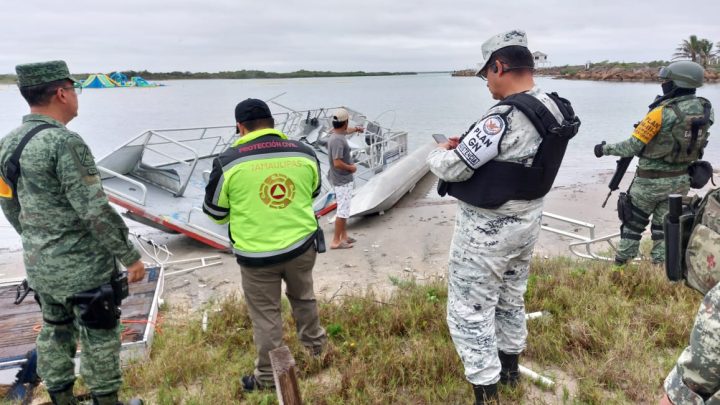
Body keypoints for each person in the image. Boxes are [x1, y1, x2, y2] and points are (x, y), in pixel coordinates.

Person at [427, 30, 580, 404]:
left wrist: (435, 152)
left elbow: (455, 168)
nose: (487, 83)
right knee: (511, 297)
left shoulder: (503, 116)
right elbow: (523, 155)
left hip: (486, 232)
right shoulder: (554, 105)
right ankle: (509, 371)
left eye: (486, 75)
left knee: (469, 310)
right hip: (527, 221)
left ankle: (487, 392)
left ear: (499, 66)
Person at [0, 61, 145, 405]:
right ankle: (106, 400)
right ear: (62, 93)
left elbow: (7, 202)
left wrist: (36, 239)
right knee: (100, 334)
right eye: (74, 90)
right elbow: (93, 208)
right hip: (84, 269)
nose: (76, 97)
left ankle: (61, 397)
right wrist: (129, 256)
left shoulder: (8, 144)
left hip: (41, 267)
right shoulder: (65, 143)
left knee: (54, 329)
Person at [203, 98, 327, 391]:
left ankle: (270, 378)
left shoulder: (227, 161)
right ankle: (317, 350)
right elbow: (314, 191)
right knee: (304, 298)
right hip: (301, 247)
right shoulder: (305, 153)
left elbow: (215, 212)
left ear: (239, 127)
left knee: (266, 315)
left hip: (257, 255)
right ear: (272, 123)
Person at [594, 60, 713, 266]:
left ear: (676, 82)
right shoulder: (706, 109)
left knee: (632, 226)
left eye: (666, 80)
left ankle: (621, 269)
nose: (663, 83)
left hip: (648, 183)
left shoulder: (660, 112)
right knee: (663, 230)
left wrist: (603, 149)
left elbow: (631, 146)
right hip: (681, 181)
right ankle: (660, 270)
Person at [326, 108, 363, 249]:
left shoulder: (337, 134)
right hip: (342, 180)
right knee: (342, 211)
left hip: (341, 180)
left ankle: (344, 236)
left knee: (345, 208)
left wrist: (357, 129)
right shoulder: (337, 141)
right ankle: (336, 241)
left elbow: (345, 131)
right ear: (345, 122)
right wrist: (351, 168)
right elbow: (337, 162)